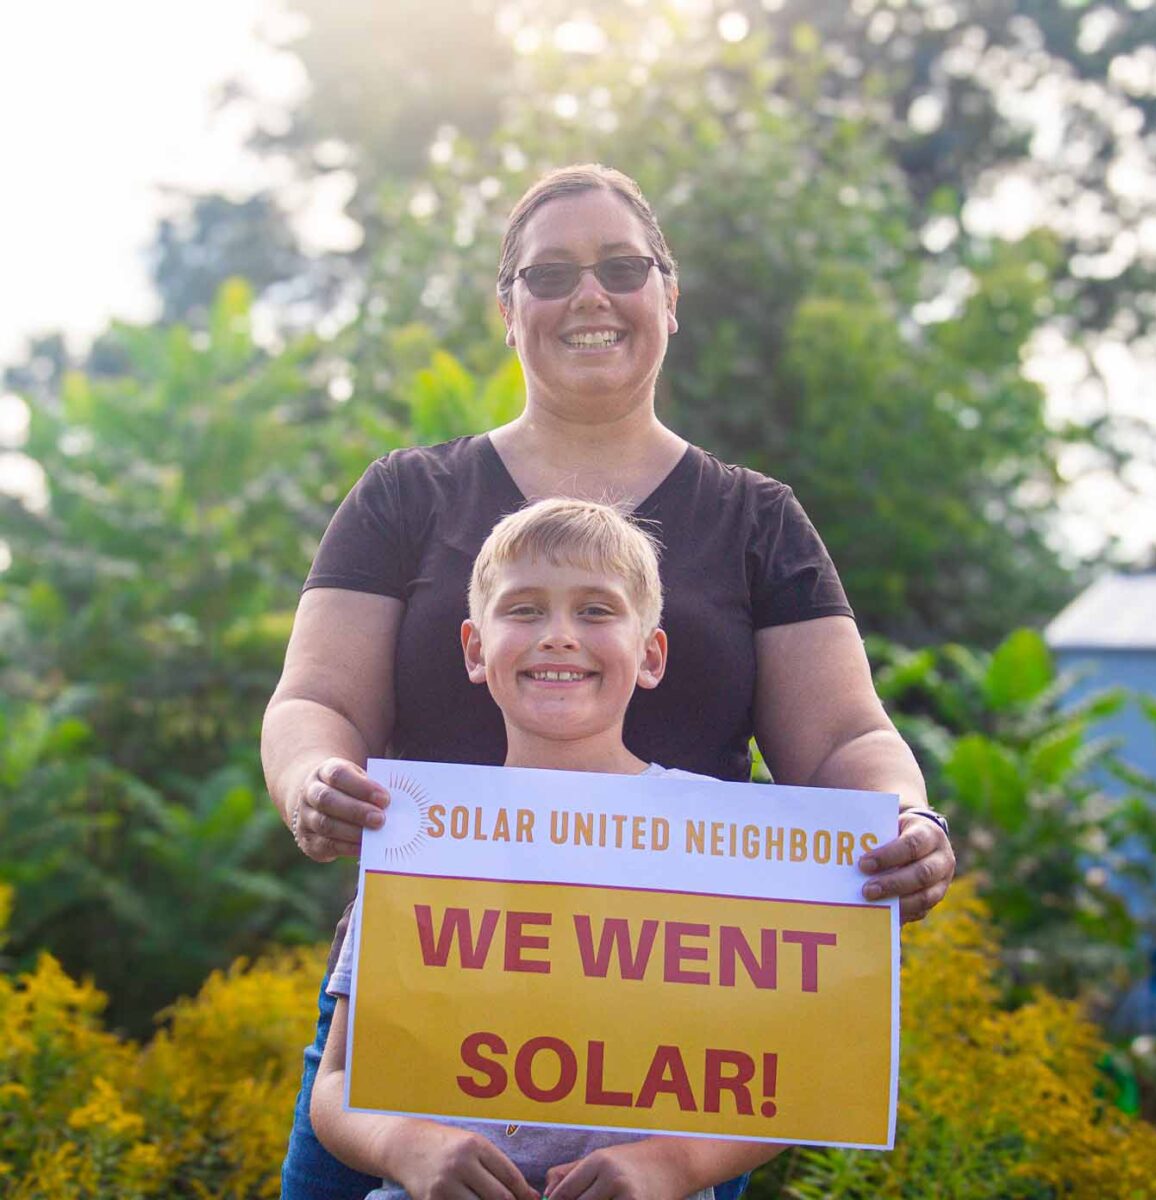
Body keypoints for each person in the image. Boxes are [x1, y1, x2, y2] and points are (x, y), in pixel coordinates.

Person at [263, 163, 956, 1200]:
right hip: (422, 1006)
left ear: (668, 298)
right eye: (550, 275)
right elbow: (317, 702)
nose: (589, 295)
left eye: (622, 267)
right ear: (509, 313)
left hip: (680, 1038)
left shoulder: (758, 519)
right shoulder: (408, 495)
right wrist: (313, 779)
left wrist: (900, 824)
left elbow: (847, 738)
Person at [312, 497, 789, 1200]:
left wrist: (674, 1165)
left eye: (596, 611)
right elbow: (338, 1082)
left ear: (650, 654)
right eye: (525, 610)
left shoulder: (723, 843)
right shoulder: (421, 833)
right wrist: (407, 1146)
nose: (559, 636)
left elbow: (788, 1078)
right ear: (476, 650)